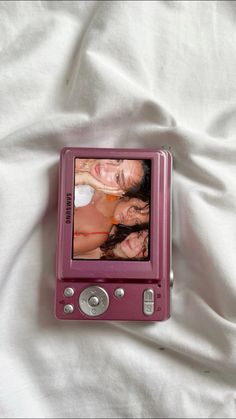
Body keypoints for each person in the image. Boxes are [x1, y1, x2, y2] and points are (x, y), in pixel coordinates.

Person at [73, 194, 149, 256]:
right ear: (132, 195)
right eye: (136, 209)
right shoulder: (105, 180)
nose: (130, 218)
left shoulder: (98, 235)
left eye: (136, 221)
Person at [74, 158, 150, 207]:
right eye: (117, 160)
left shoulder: (81, 196)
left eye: (117, 177)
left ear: (118, 192)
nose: (107, 166)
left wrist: (84, 179)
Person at [76, 227, 149, 260]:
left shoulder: (114, 275)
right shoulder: (106, 229)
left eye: (144, 248)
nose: (135, 241)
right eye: (139, 234)